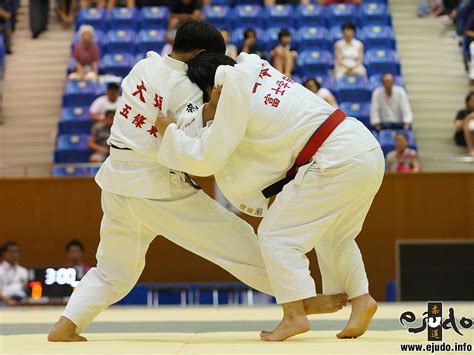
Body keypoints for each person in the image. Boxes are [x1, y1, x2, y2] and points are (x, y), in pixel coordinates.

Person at [47, 20, 346, 343]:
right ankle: (299, 299)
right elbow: (187, 141)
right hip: (157, 187)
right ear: (202, 54)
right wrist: (213, 110)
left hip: (117, 181)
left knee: (114, 270)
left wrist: (204, 113)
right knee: (238, 241)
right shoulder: (187, 85)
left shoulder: (143, 66)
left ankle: (67, 325)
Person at [155, 52, 384, 341]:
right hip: (363, 146)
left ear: (209, 88)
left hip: (334, 159)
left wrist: (170, 134)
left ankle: (294, 315)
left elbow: (206, 159)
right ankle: (361, 300)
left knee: (276, 236)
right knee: (335, 235)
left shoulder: (232, 92)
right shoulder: (255, 66)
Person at [0, 241, 28, 306]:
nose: (14, 255)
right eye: (12, 252)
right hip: (3, 301)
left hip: (20, 300)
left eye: (17, 252)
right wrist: (6, 300)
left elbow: (24, 290)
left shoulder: (23, 271)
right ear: (4, 253)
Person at [454, 92, 474, 156]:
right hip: (462, 137)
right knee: (467, 124)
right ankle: (471, 150)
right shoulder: (462, 112)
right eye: (473, 101)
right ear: (467, 102)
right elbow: (458, 126)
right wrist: (468, 118)